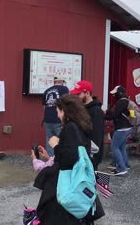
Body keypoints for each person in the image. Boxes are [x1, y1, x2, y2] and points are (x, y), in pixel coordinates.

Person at [34, 94, 100, 224]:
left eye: (58, 111)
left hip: (68, 182)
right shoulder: (82, 125)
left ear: (65, 111)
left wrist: (56, 145)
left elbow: (69, 158)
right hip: (79, 181)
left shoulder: (70, 127)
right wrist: (49, 157)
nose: (58, 116)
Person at [70, 80, 105, 171]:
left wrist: (90, 156)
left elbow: (96, 137)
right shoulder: (81, 109)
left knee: (90, 183)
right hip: (80, 153)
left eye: (79, 94)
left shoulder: (96, 111)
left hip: (90, 156)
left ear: (87, 93)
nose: (76, 97)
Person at [105, 85, 133, 176]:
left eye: (115, 94)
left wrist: (103, 116)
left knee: (114, 147)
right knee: (121, 147)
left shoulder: (121, 102)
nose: (113, 96)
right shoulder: (126, 101)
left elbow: (114, 116)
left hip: (122, 128)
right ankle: (125, 165)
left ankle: (122, 168)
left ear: (120, 93)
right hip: (128, 127)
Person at [42, 76, 69, 156]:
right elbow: (67, 103)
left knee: (50, 141)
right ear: (62, 82)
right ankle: (61, 160)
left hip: (47, 119)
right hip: (58, 119)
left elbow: (44, 106)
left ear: (54, 82)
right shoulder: (64, 89)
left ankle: (50, 161)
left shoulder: (47, 91)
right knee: (62, 140)